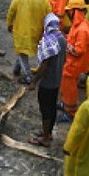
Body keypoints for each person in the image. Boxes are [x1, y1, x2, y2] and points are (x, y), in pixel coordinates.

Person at [28, 13, 67, 148]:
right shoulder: (62, 38)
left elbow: (44, 65)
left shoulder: (48, 41)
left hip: (47, 81)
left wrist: (34, 81)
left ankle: (45, 139)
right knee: (52, 107)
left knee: (45, 109)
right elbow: (65, 59)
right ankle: (48, 132)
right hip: (57, 80)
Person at [6, 0, 52, 85]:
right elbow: (49, 14)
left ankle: (28, 76)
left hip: (21, 30)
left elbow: (11, 11)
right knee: (22, 50)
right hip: (37, 30)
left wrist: (9, 23)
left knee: (22, 51)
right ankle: (17, 68)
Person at [61, 0, 89, 121]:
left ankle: (70, 112)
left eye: (69, 11)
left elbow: (78, 51)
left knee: (70, 89)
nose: (68, 13)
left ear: (75, 11)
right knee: (65, 86)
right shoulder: (77, 25)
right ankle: (65, 105)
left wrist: (66, 45)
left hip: (75, 65)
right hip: (70, 63)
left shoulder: (82, 29)